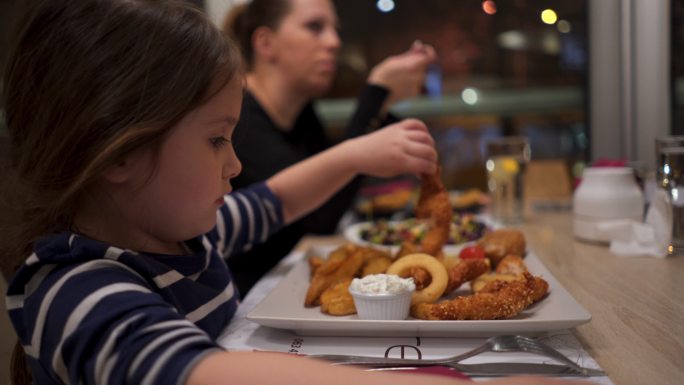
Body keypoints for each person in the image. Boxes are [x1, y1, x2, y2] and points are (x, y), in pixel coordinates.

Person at [0, 2, 593, 385]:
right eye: (215, 140)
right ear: (120, 153)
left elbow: (273, 201)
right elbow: (199, 371)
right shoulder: (72, 289)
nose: (234, 165)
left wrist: (356, 153)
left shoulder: (184, 232)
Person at [223, 0, 439, 295]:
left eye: (335, 30)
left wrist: (383, 102)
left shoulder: (302, 114)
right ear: (265, 42)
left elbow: (334, 196)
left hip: (288, 288)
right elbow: (317, 216)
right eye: (315, 27)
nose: (334, 42)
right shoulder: (236, 118)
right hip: (251, 302)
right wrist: (375, 96)